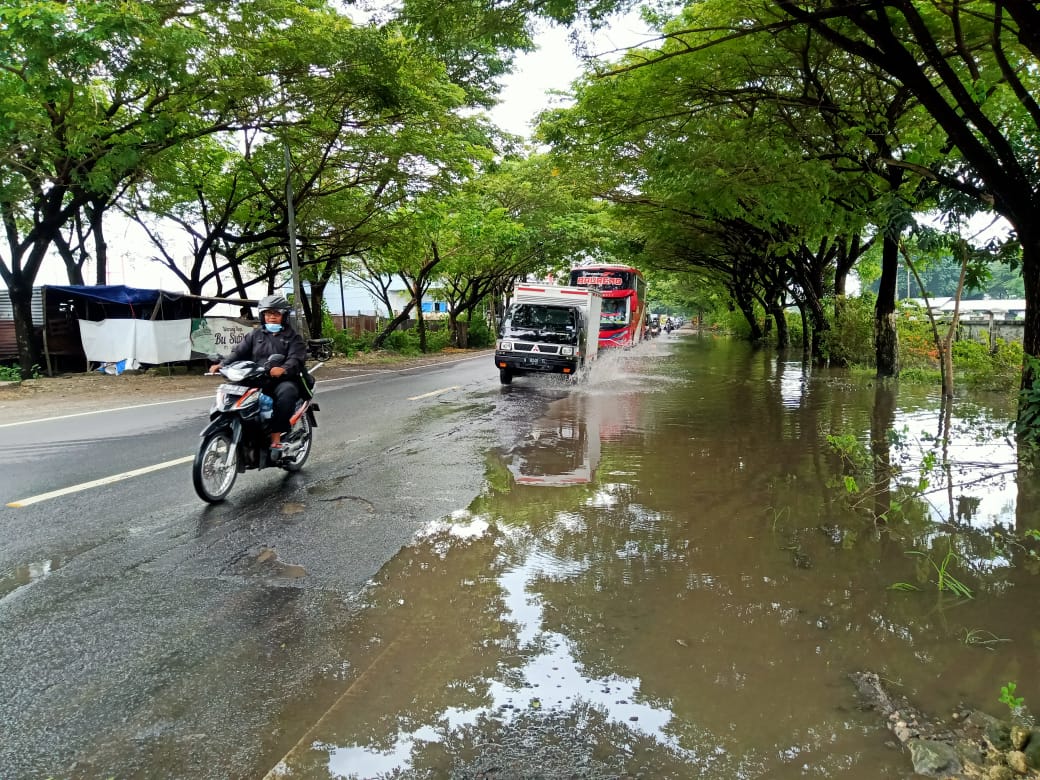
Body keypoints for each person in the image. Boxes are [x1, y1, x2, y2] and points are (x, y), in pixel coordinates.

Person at [210, 294, 308, 451]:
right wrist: (222, 364)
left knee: (286, 393)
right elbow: (238, 353)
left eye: (276, 314)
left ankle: (276, 437)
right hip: (255, 377)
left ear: (284, 316)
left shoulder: (293, 337)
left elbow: (296, 359)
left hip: (281, 380)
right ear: (263, 316)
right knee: (233, 392)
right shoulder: (255, 335)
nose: (272, 317)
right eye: (268, 314)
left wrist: (283, 369)